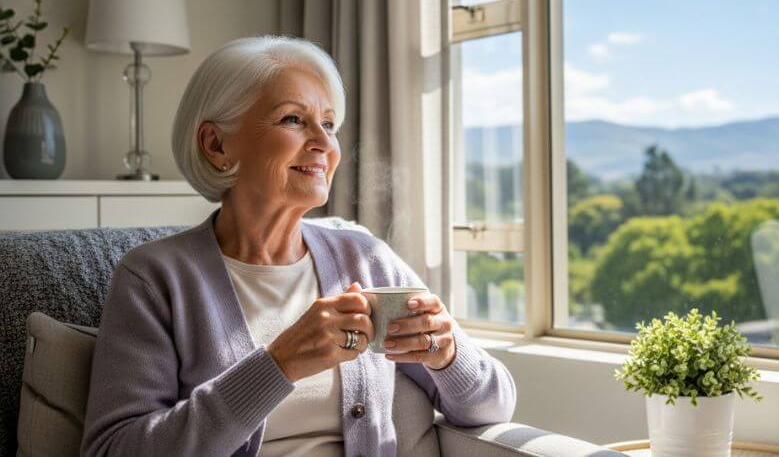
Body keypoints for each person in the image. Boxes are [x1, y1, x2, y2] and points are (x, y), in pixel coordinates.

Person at [80, 36, 516, 457]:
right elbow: (114, 449)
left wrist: (447, 356)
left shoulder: (365, 259)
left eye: (328, 124)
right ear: (216, 145)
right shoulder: (154, 279)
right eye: (293, 119)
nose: (325, 144)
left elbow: (493, 406)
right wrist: (277, 365)